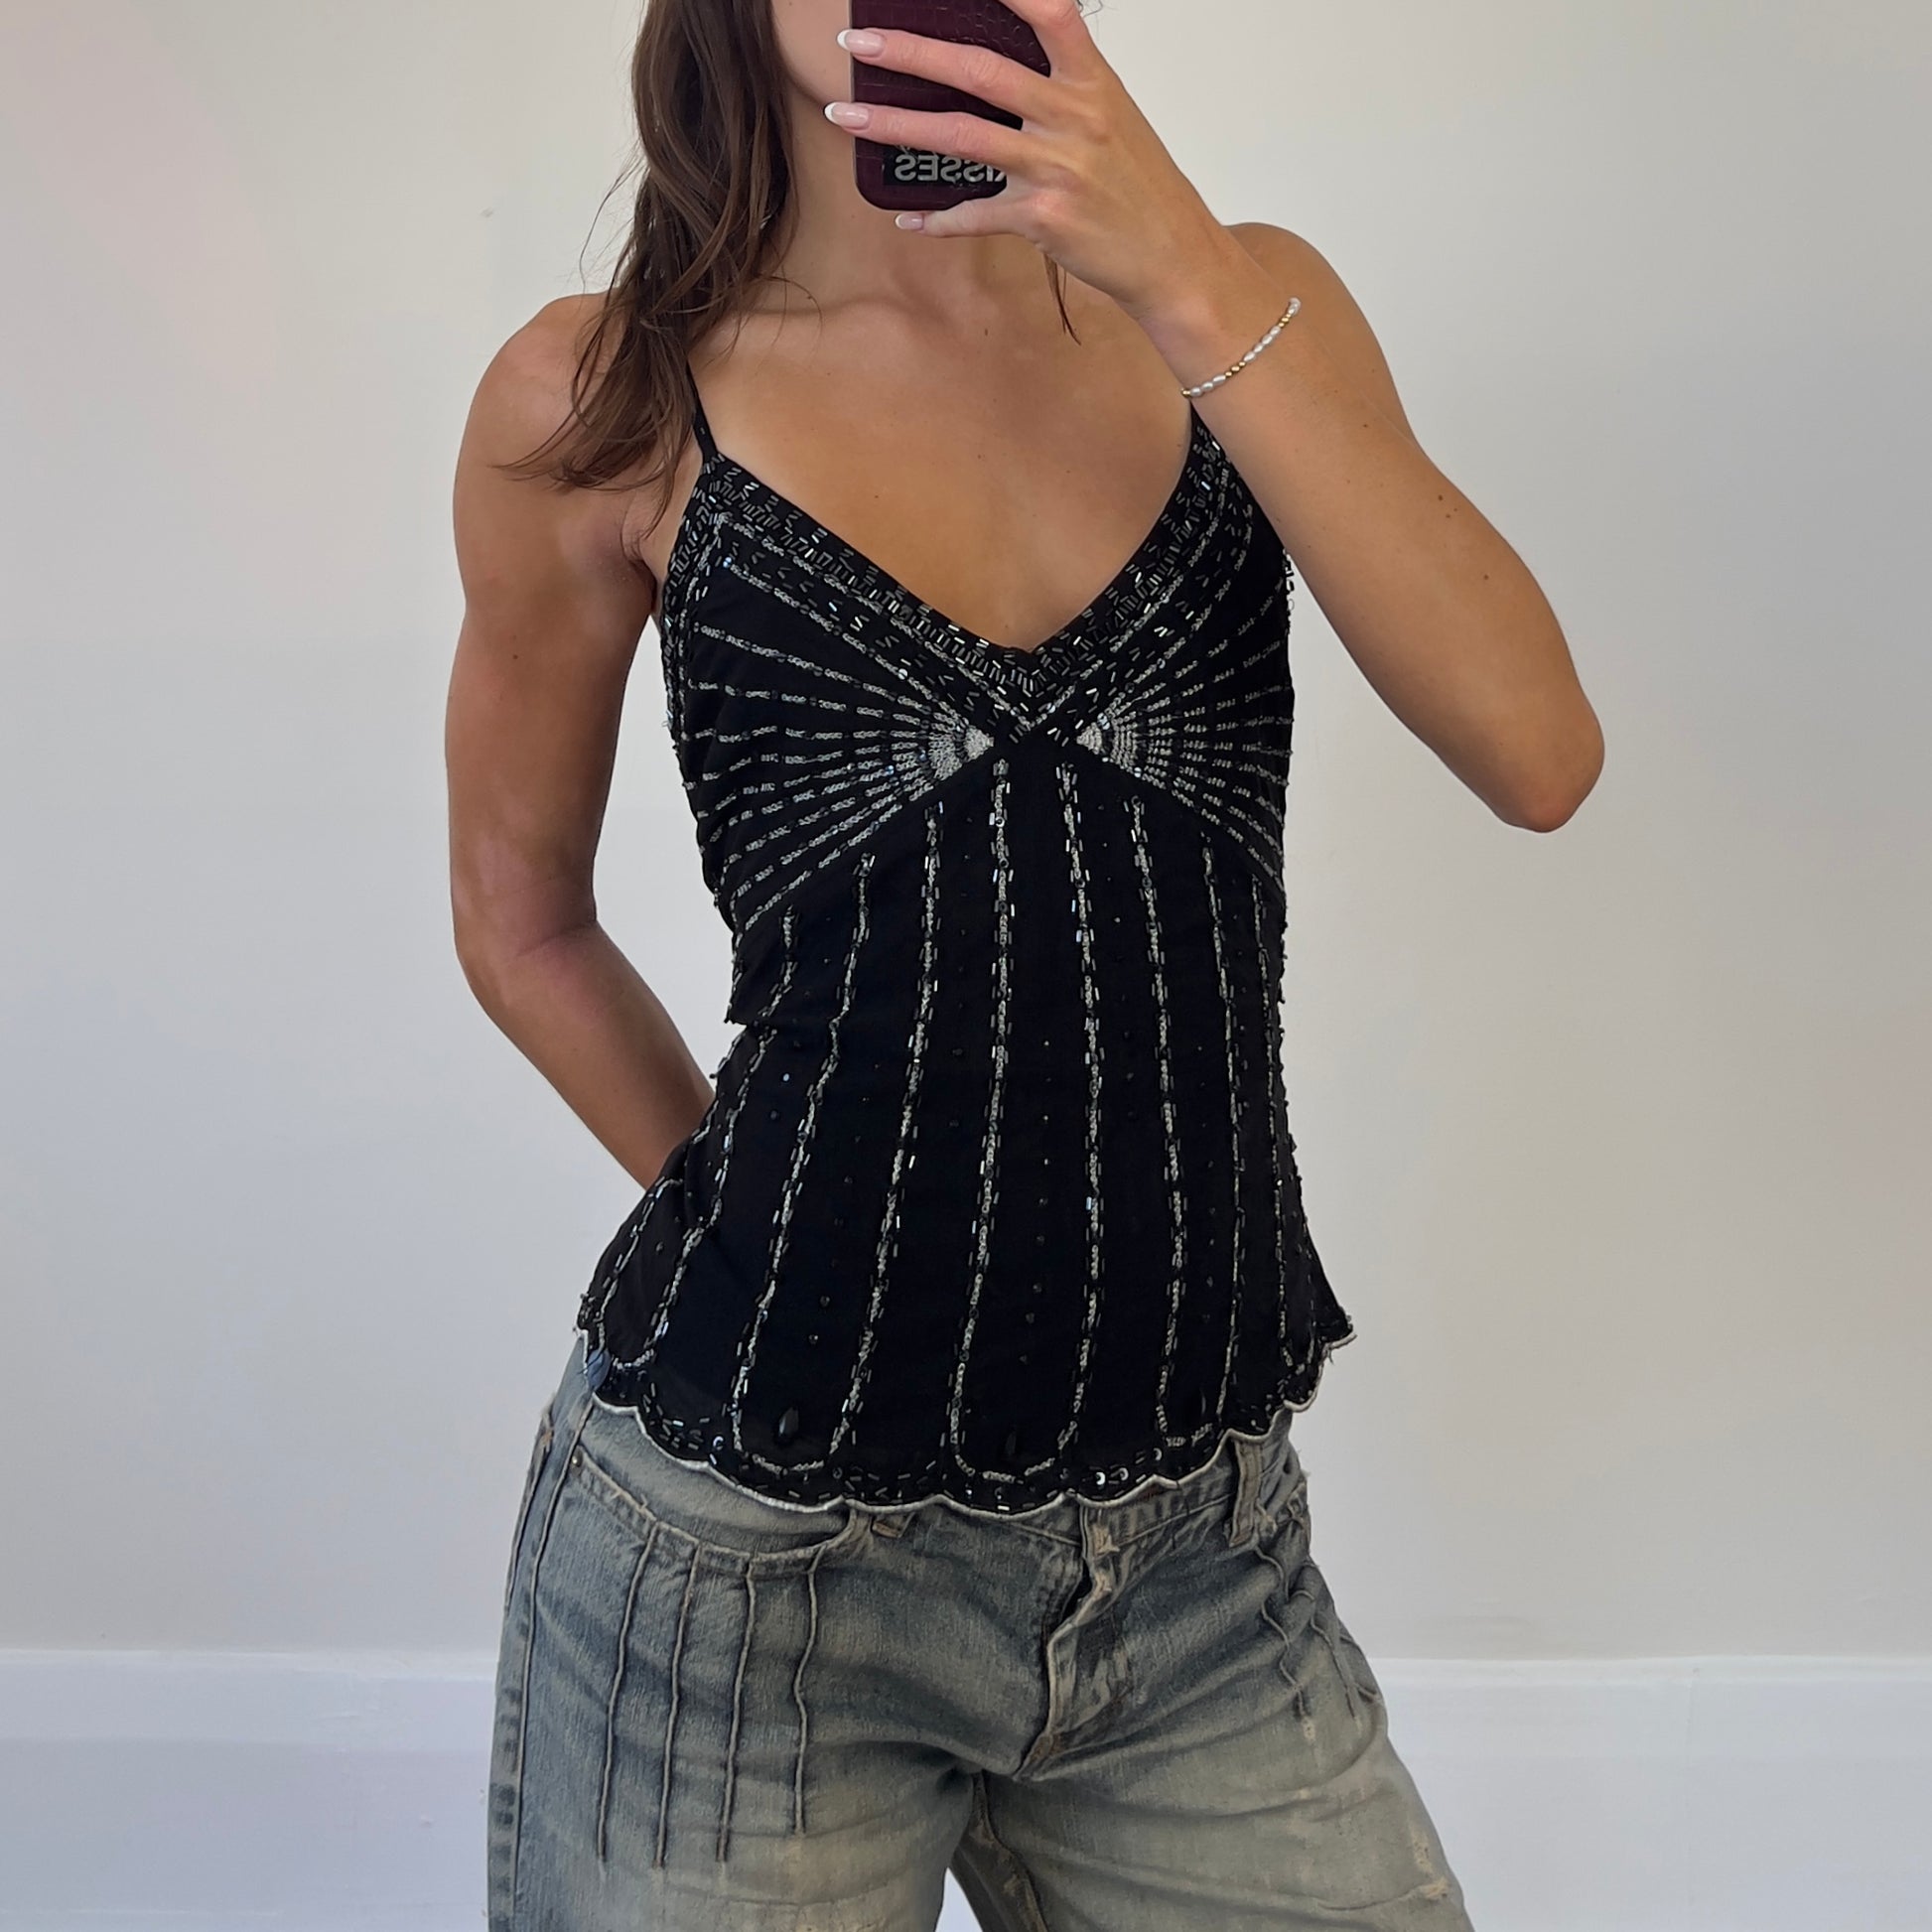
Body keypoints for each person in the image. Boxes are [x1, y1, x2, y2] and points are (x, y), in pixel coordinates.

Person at [447, 1, 1602, 1925]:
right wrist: (774, 1244)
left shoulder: (1243, 305)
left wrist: (1177, 267)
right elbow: (520, 921)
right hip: (746, 1574)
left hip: (1197, 1572)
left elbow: (1537, 751)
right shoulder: (605, 399)